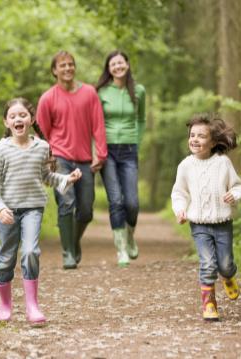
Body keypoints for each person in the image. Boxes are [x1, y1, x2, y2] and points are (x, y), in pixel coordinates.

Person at [0, 97, 82, 323]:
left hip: (33, 209)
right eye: (13, 116)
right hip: (8, 211)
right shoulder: (0, 150)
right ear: (6, 122)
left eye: (22, 115)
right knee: (6, 258)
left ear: (30, 119)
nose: (18, 119)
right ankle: (5, 305)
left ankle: (32, 306)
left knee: (30, 252)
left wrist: (66, 179)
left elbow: (45, 176)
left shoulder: (41, 147)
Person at [36, 50, 107, 270]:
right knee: (66, 203)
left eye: (71, 64)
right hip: (60, 158)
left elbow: (98, 124)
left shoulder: (89, 93)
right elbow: (41, 133)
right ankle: (67, 252)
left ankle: (73, 242)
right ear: (54, 71)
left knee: (86, 209)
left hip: (85, 159)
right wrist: (46, 161)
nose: (67, 68)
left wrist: (101, 153)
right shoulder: (48, 98)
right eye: (62, 65)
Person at [171, 113, 241, 321]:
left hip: (222, 223)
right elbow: (179, 192)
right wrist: (180, 209)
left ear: (213, 142)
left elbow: (238, 186)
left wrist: (235, 194)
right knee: (207, 263)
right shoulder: (185, 165)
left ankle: (228, 276)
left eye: (201, 136)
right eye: (192, 135)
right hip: (199, 224)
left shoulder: (223, 163)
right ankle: (209, 303)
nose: (195, 139)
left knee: (225, 264)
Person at [95, 50, 146, 267]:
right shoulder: (101, 92)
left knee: (132, 203)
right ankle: (121, 250)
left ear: (127, 64)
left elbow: (141, 119)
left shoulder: (139, 91)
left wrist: (137, 141)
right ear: (108, 68)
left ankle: (130, 236)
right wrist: (96, 151)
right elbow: (95, 123)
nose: (117, 66)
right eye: (113, 64)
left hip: (129, 150)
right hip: (107, 151)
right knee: (115, 201)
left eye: (121, 62)